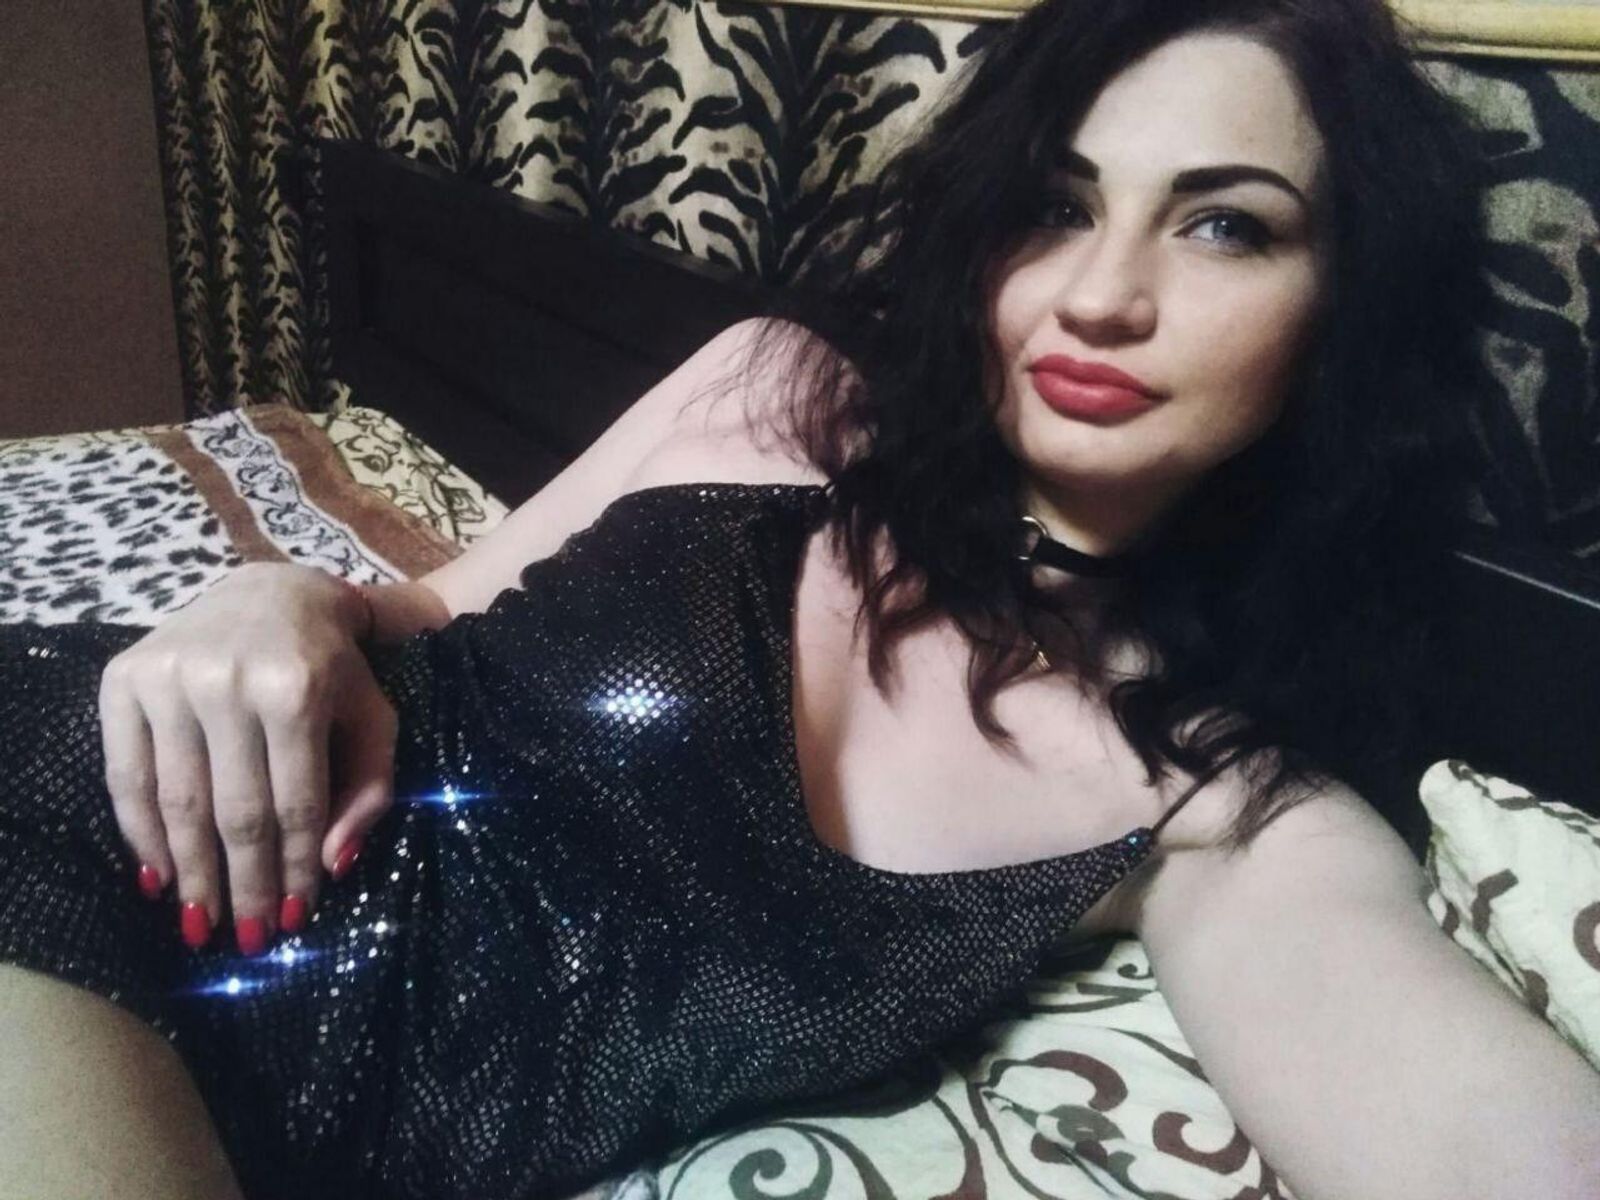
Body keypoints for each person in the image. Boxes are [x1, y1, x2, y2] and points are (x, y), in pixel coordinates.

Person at [2, 0, 1598, 1196]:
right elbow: (422, 606)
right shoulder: (783, 391)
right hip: (75, 817)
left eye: (1225, 225)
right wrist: (271, 598)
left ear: (1343, 312)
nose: (1103, 295)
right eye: (1058, 205)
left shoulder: (1221, 811)